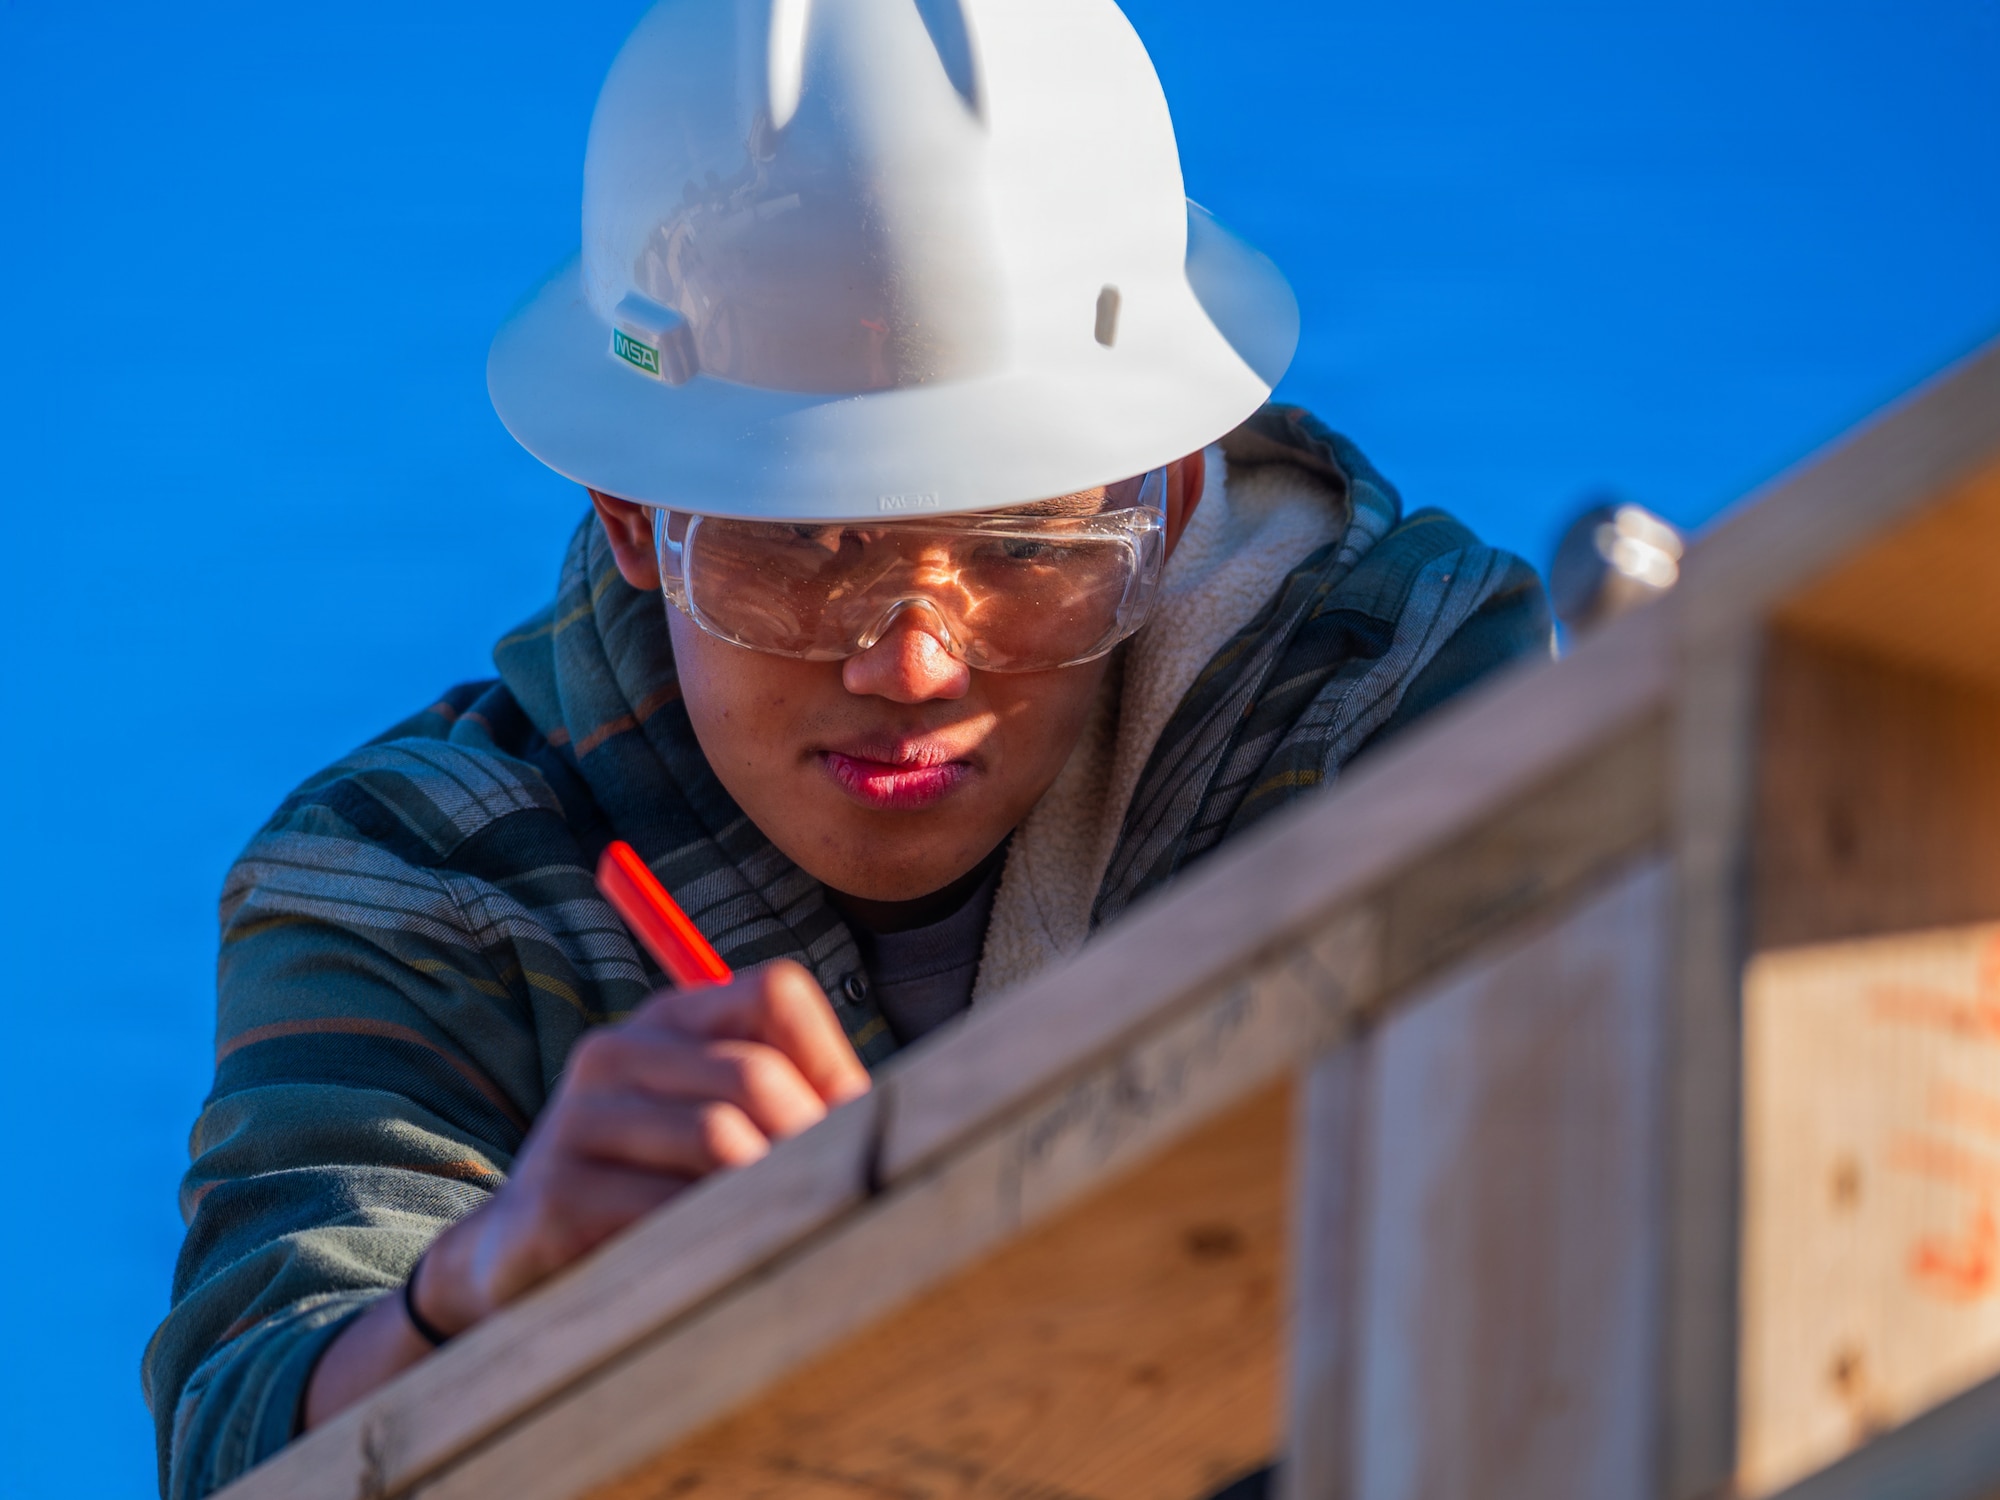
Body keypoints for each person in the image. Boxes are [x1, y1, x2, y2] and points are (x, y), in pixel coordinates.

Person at [143, 1, 1551, 1495]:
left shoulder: (1383, 707)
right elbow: (256, 1420)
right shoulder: (418, 878)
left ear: (1172, 490)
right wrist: (475, 1299)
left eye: (1022, 547)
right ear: (634, 512)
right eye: (807, 550)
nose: (912, 663)